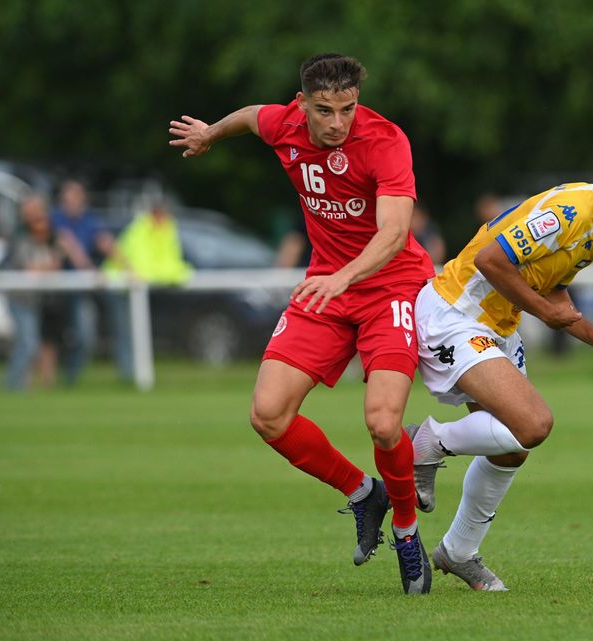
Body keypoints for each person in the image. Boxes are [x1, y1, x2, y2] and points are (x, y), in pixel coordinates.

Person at [168, 53, 436, 594]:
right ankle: (365, 494)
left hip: (391, 286)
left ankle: (407, 534)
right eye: (325, 110)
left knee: (384, 423)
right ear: (302, 104)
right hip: (326, 286)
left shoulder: (385, 141)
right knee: (268, 414)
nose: (338, 122)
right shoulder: (283, 122)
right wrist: (211, 135)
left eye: (348, 109)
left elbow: (392, 234)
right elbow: (249, 115)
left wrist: (345, 278)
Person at [405, 151, 593, 590]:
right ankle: (429, 441)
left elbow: (551, 289)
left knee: (512, 448)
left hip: (496, 325)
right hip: (456, 312)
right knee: (533, 424)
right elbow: (490, 261)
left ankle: (458, 552)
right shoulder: (571, 211)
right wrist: (541, 310)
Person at [103, 199, 194, 381]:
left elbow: (169, 261)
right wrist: (175, 273)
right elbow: (142, 266)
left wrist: (177, 273)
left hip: (139, 287)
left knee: (136, 332)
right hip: (119, 285)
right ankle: (128, 377)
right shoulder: (140, 229)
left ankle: (134, 376)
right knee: (126, 333)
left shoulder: (168, 228)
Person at [50, 178, 114, 386]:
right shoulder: (56, 219)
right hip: (55, 289)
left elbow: (105, 242)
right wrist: (89, 270)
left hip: (79, 288)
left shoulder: (89, 219)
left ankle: (71, 379)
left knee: (84, 335)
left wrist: (128, 268)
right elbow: (68, 245)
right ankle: (52, 378)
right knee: (53, 337)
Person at [1, 195, 65, 390]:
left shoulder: (50, 241)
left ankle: (15, 384)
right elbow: (29, 269)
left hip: (35, 301)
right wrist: (47, 267)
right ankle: (13, 384)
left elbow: (57, 263)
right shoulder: (21, 240)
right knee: (28, 343)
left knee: (29, 343)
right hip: (20, 299)